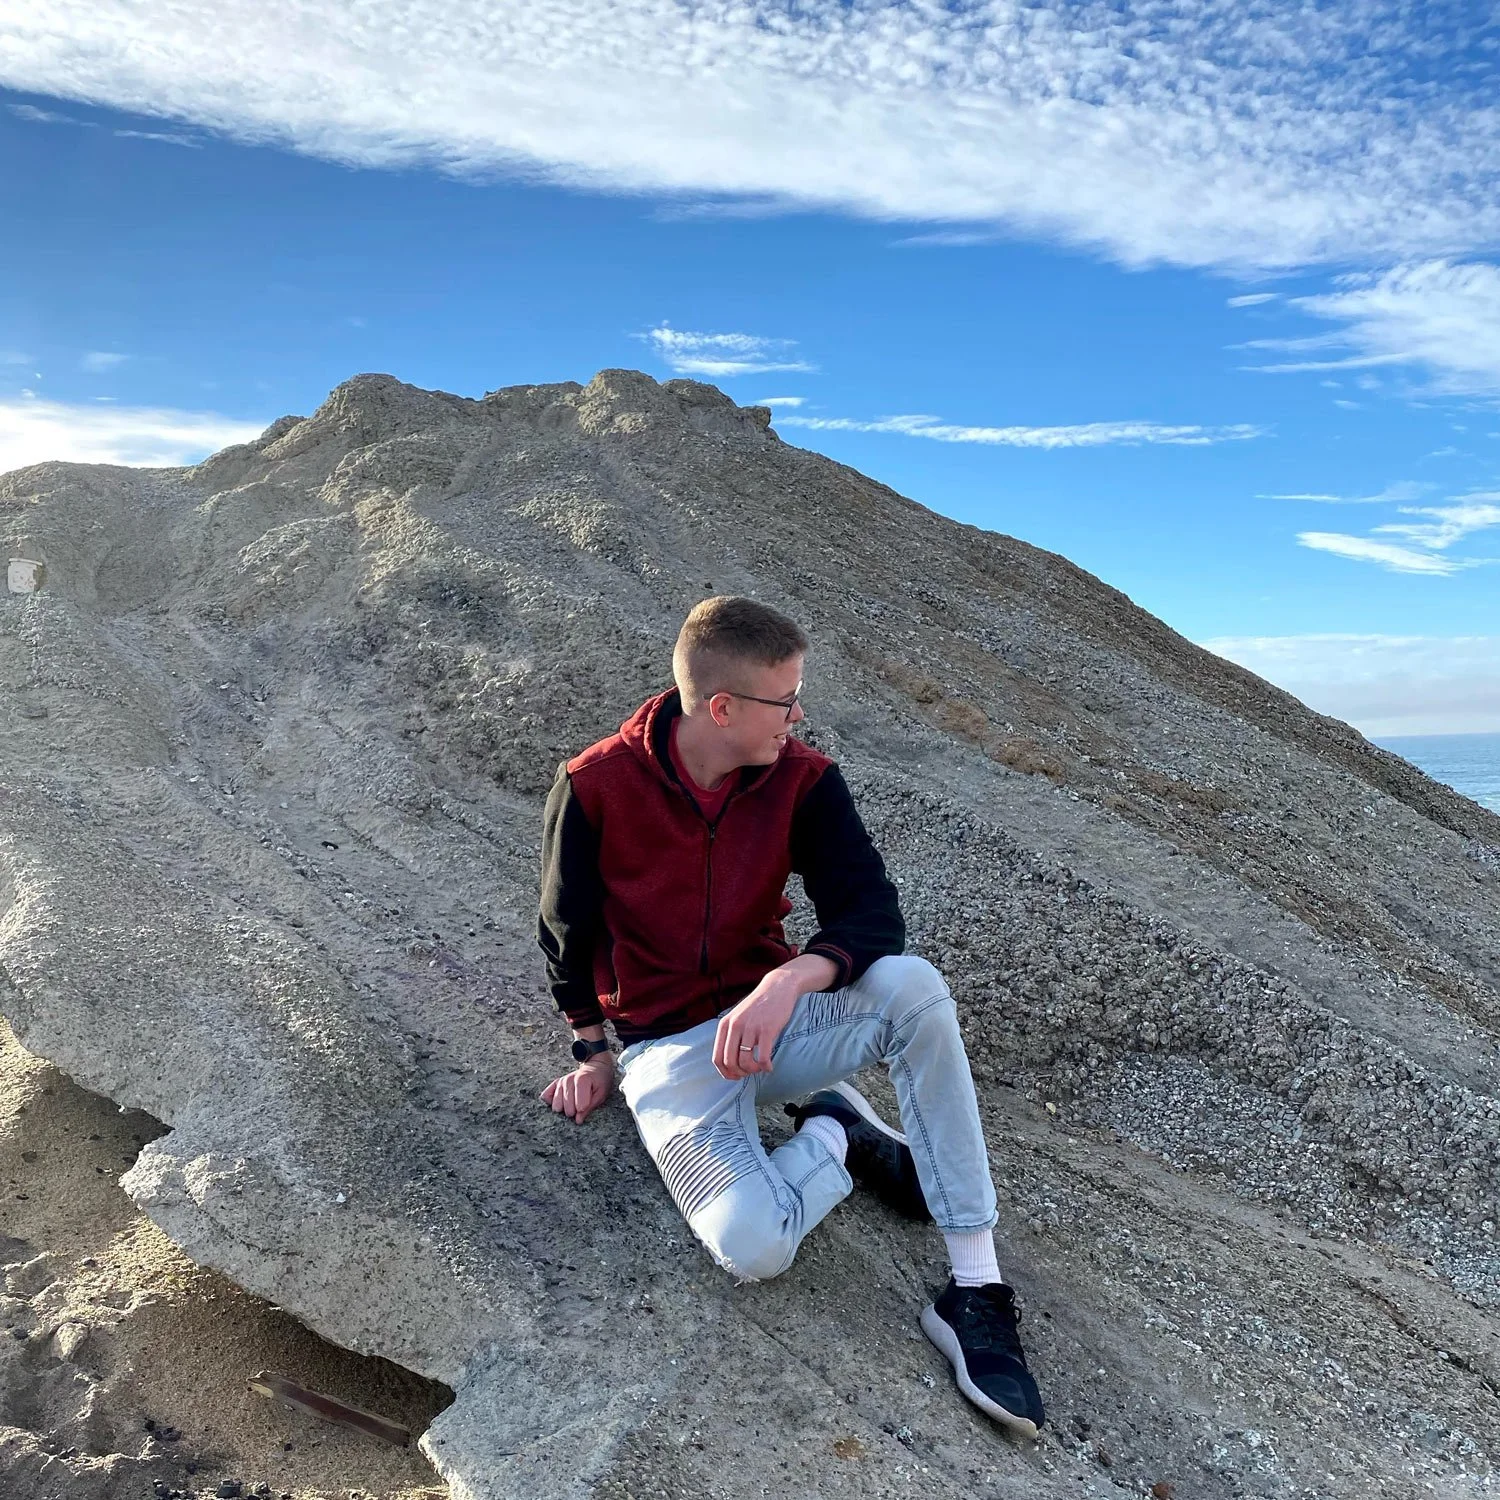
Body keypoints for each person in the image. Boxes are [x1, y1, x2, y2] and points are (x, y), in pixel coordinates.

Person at [536, 595, 1045, 1437]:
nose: (799, 715)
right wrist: (593, 1054)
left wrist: (789, 983)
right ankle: (835, 1135)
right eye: (786, 699)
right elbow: (564, 929)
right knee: (755, 1248)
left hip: (773, 1025)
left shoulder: (802, 778)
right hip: (666, 1051)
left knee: (913, 986)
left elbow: (872, 911)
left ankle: (975, 1287)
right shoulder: (595, 785)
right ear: (724, 707)